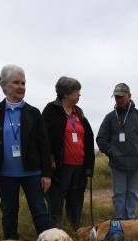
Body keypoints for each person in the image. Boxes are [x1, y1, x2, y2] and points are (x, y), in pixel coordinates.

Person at [0, 65, 52, 240]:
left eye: (23, 83)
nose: (21, 87)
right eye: (16, 82)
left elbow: (44, 145)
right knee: (9, 213)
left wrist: (47, 174)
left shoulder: (33, 113)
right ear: (4, 84)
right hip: (6, 174)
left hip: (32, 172)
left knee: (40, 211)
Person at [42, 76, 95, 231]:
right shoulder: (51, 110)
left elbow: (88, 138)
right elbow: (44, 138)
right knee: (56, 200)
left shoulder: (79, 112)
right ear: (65, 94)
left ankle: (75, 229)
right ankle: (55, 231)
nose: (79, 95)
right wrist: (49, 160)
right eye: (76, 91)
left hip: (79, 165)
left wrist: (89, 165)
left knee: (76, 199)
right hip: (60, 166)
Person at [96, 83, 138, 220]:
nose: (119, 99)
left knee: (133, 193)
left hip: (137, 162)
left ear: (129, 96)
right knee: (119, 193)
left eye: (121, 97)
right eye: (116, 97)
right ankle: (120, 220)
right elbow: (101, 139)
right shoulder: (110, 117)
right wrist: (113, 153)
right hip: (118, 164)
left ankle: (131, 219)